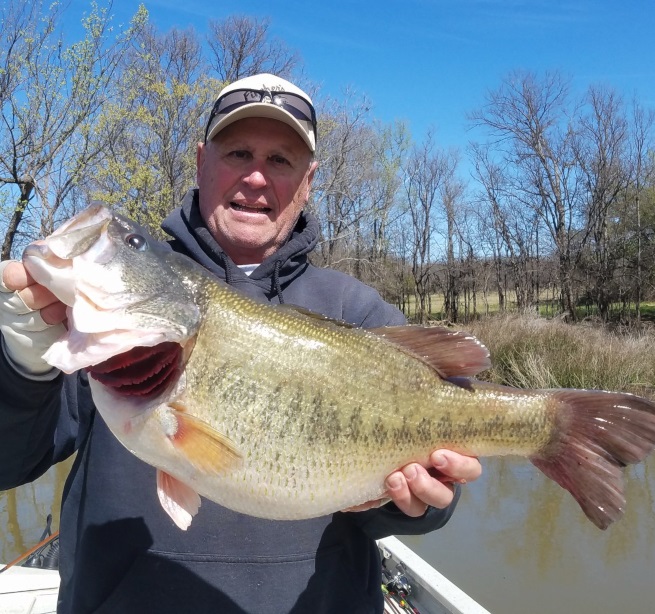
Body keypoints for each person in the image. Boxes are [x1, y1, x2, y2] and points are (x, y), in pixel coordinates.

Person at [0, 73, 481, 613]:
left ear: (308, 179)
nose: (256, 177)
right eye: (238, 152)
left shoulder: (358, 311)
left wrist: (418, 503)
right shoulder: (99, 322)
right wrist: (20, 369)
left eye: (281, 160)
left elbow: (433, 487)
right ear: (202, 160)